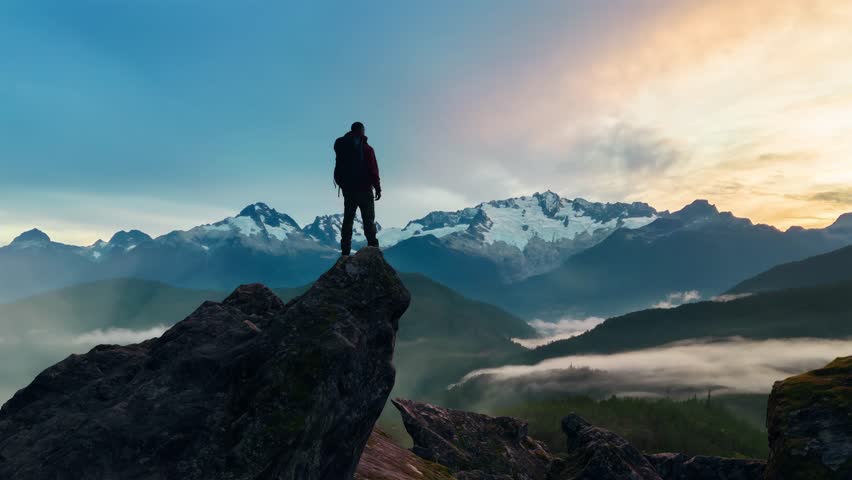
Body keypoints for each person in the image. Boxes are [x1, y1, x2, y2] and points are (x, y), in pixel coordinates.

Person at [334, 121, 381, 256]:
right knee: (368, 220)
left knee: (348, 219)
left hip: (348, 189)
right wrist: (377, 187)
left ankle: (345, 251)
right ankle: (373, 249)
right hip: (364, 188)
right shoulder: (367, 149)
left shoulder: (343, 145)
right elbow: (373, 170)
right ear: (362, 131)